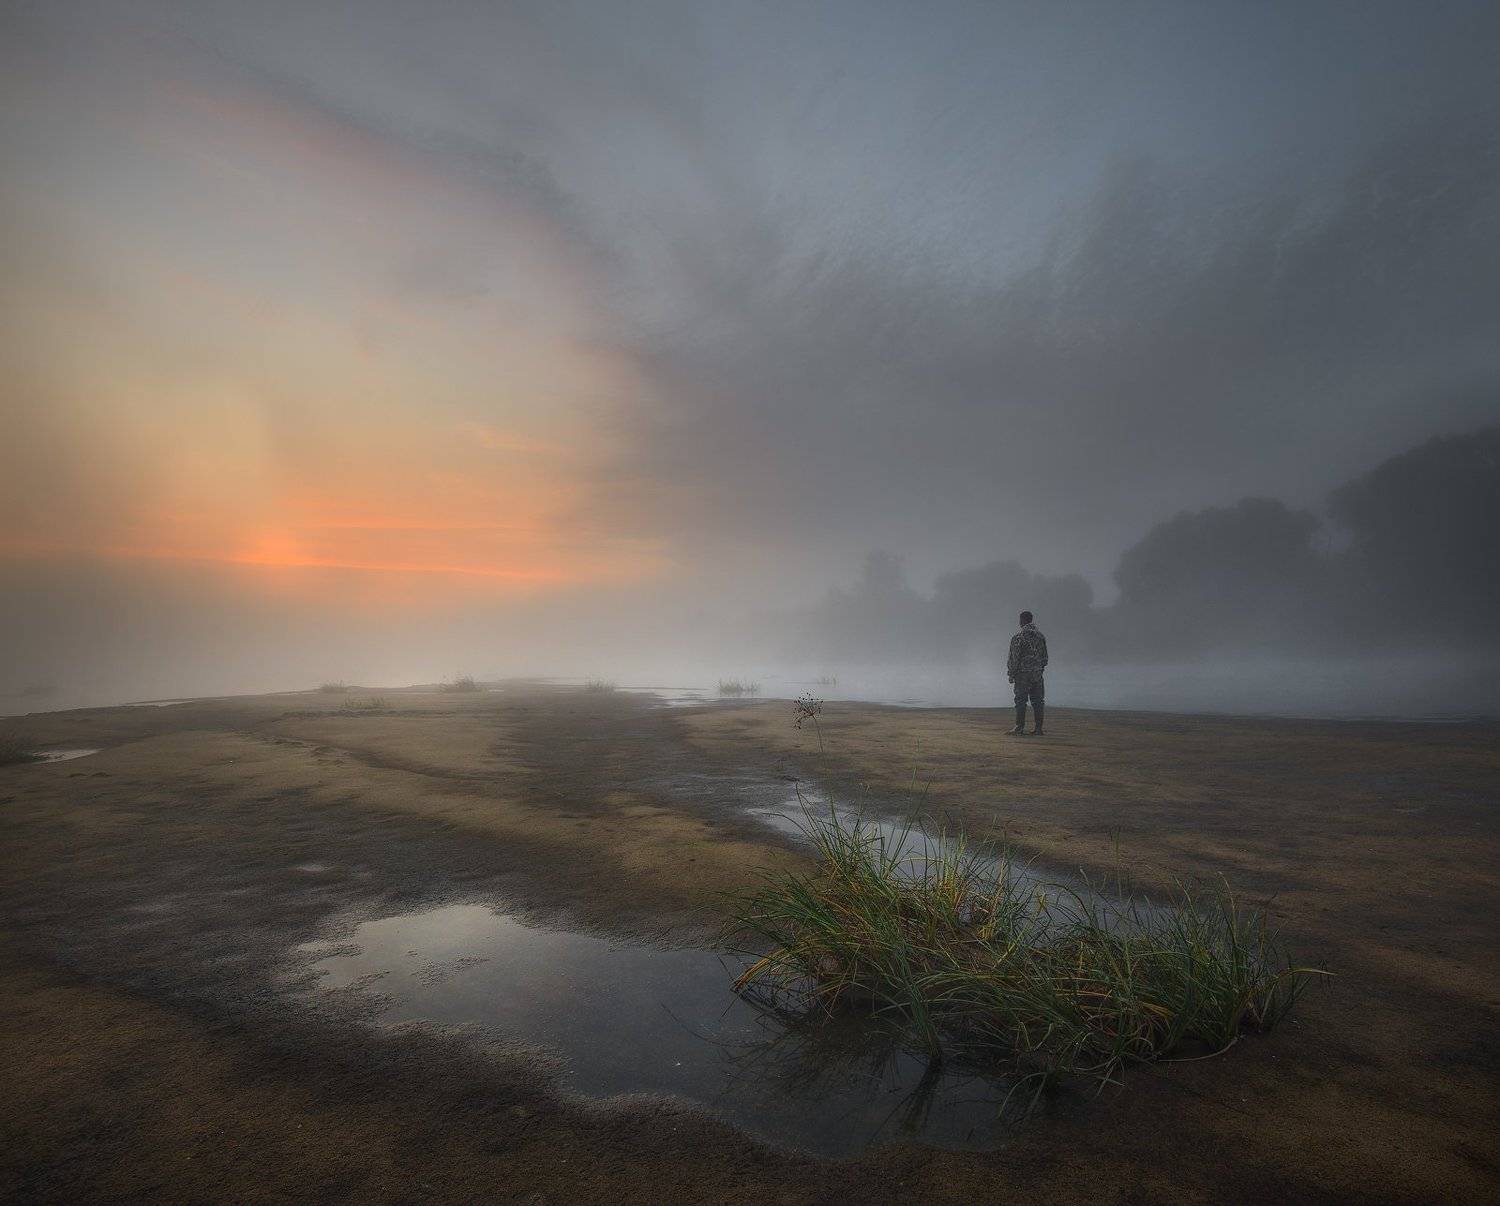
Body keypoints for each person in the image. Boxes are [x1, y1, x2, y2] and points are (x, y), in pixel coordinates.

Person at [1006, 610, 1048, 736]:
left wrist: (1011, 674)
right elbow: (1045, 657)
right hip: (1037, 674)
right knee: (1038, 701)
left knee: (1020, 700)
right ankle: (1038, 728)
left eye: (1020, 620)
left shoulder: (1018, 637)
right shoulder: (1041, 637)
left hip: (1022, 674)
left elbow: (1014, 658)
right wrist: (1039, 669)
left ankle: (1019, 727)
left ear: (1022, 621)